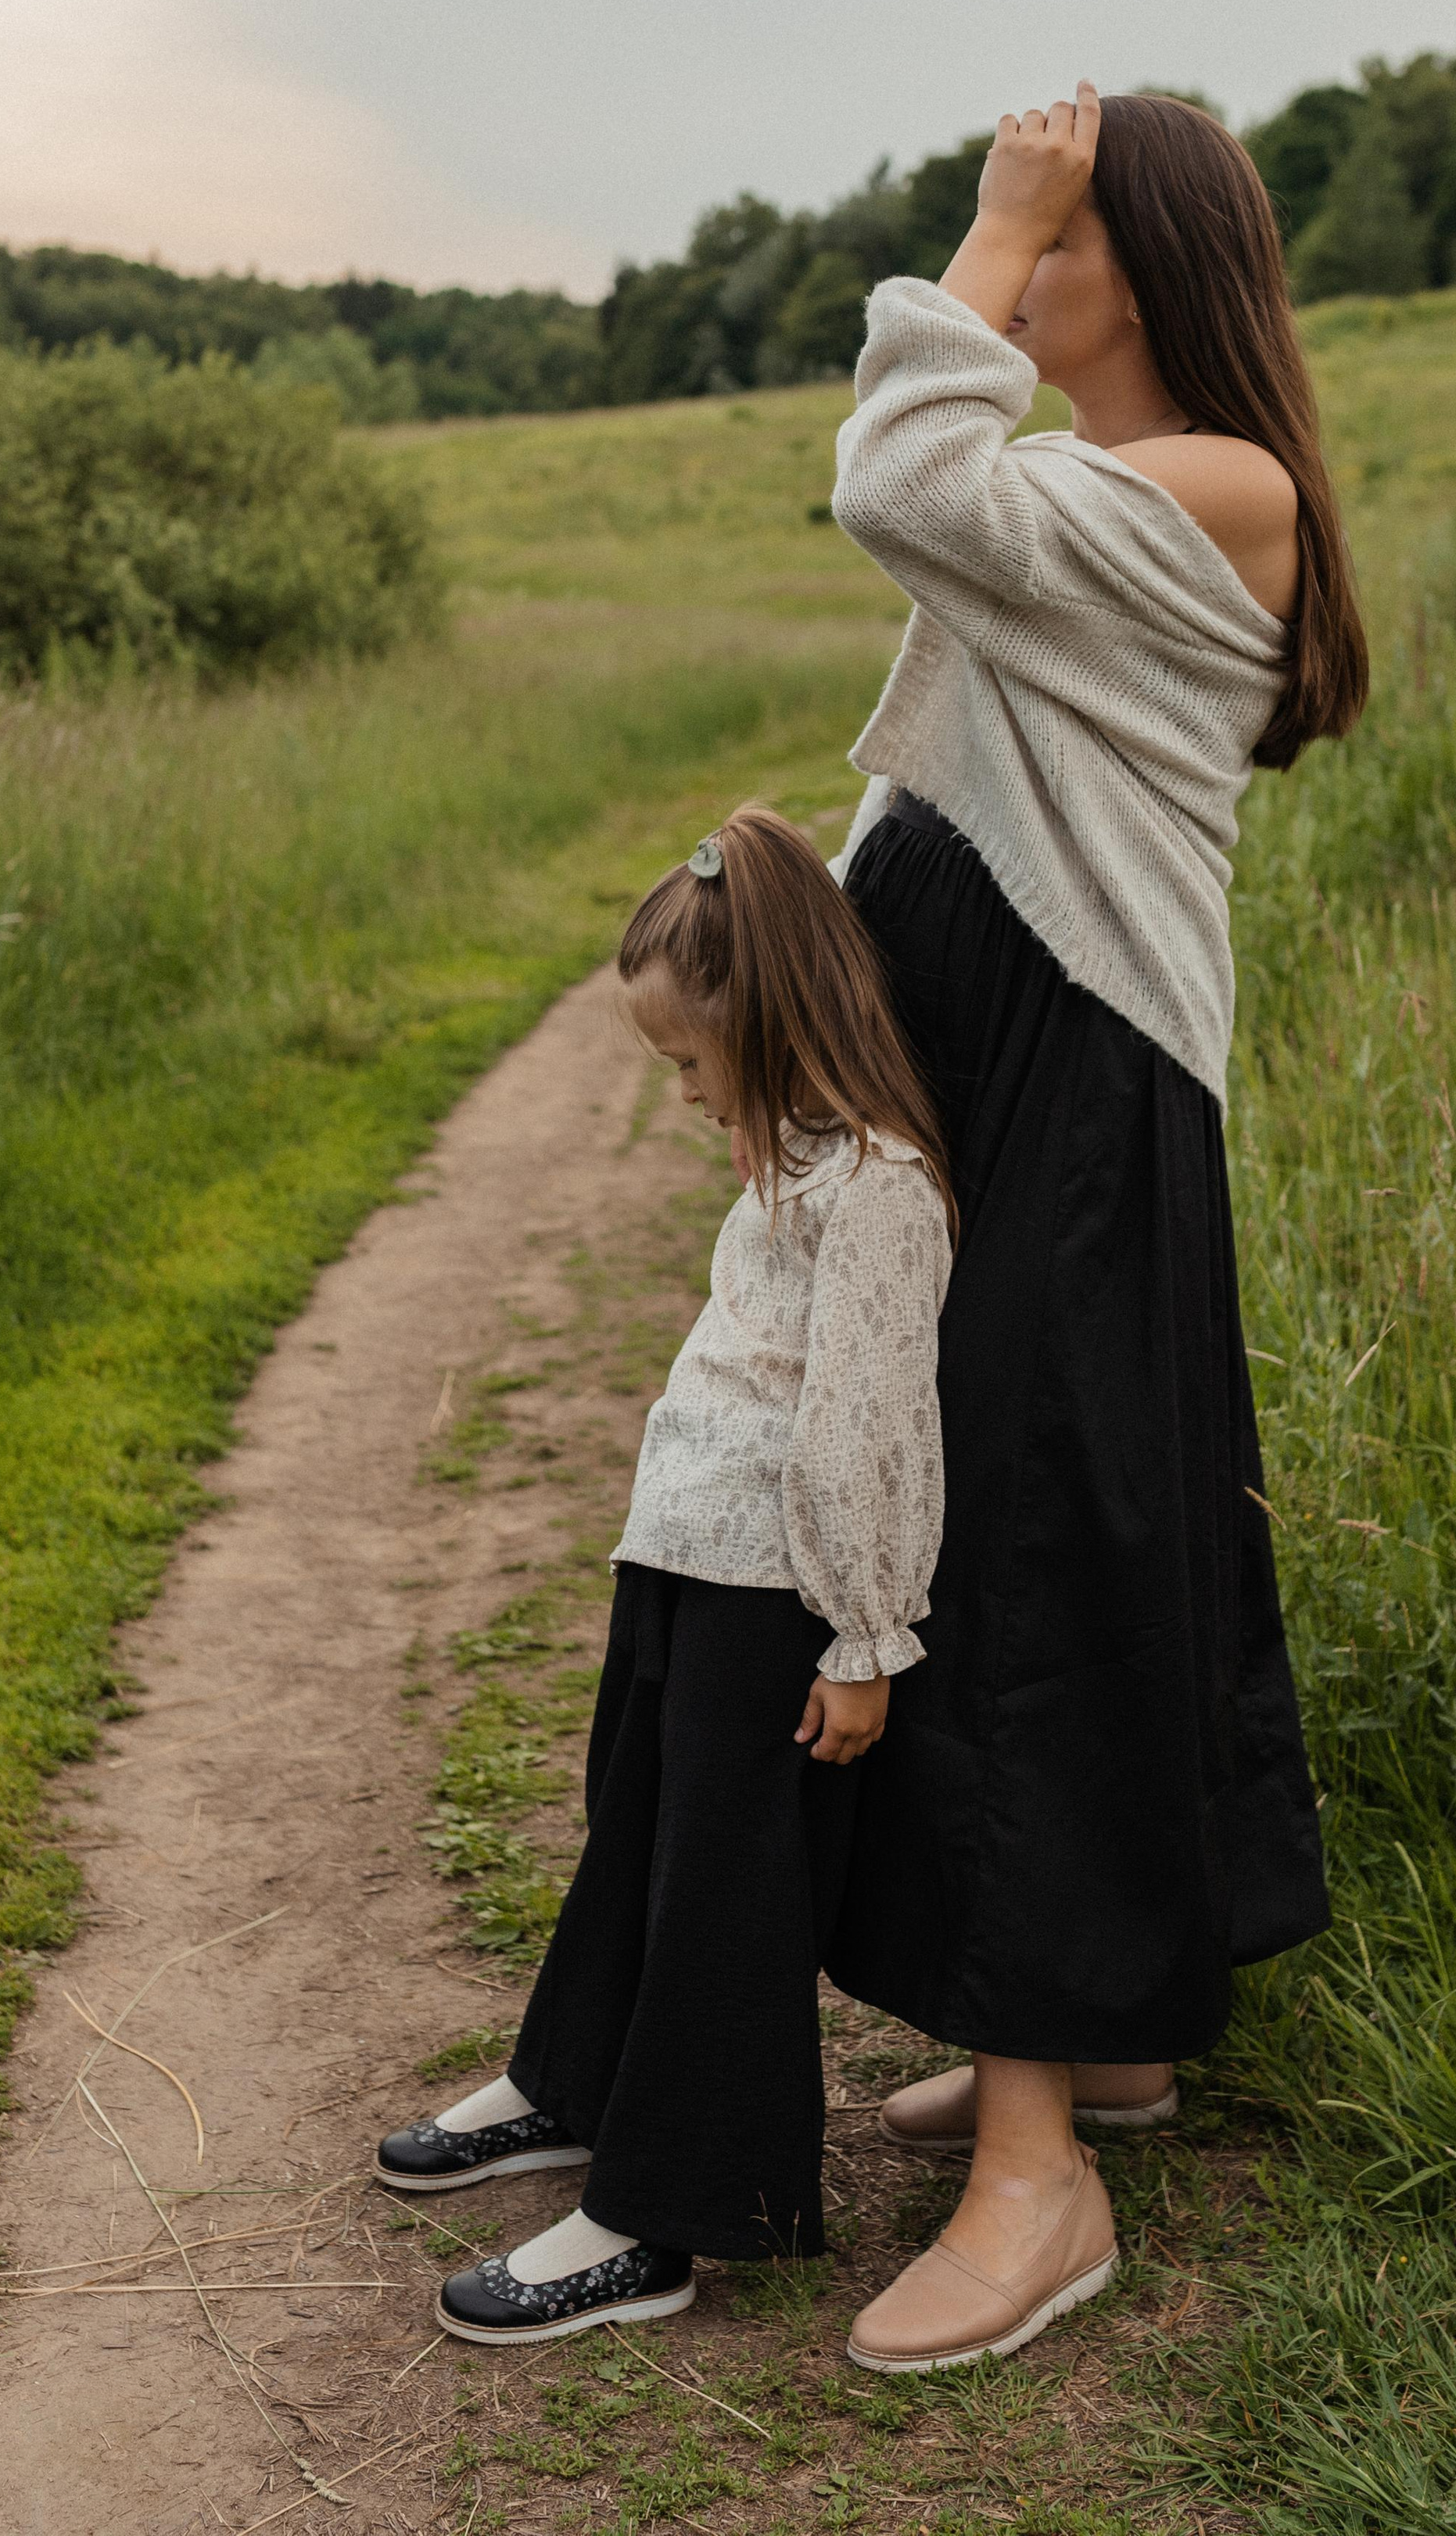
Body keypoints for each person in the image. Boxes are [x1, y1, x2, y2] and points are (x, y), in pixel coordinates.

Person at [823, 84, 1365, 2375]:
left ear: (1137, 256)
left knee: (1021, 1571)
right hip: (1018, 1084)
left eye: (1047, 232)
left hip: (1082, 1095)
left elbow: (899, 480)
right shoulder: (1112, 499)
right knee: (1052, 1544)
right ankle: (1110, 2030)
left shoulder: (1217, 489)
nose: (1009, 265)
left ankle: (1037, 2182)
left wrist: (998, 206)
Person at [376, 805, 956, 2347]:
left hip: (784, 1598)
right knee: (632, 1831)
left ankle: (662, 2215)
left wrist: (862, 1636)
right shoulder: (796, 1160)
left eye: (693, 1067)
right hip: (690, 1565)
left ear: (771, 1028)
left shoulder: (876, 1191)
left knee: (724, 1895)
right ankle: (572, 2085)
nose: (686, 1097)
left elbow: (865, 1433)